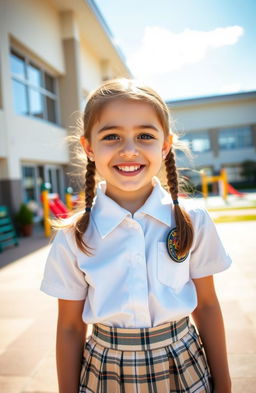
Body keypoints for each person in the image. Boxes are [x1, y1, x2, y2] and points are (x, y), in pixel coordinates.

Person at [40, 78, 232, 393]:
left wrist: (224, 384)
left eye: (145, 135)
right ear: (88, 147)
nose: (129, 150)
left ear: (165, 145)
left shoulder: (192, 221)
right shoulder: (74, 236)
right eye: (112, 136)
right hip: (105, 372)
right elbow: (71, 326)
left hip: (183, 364)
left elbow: (207, 305)